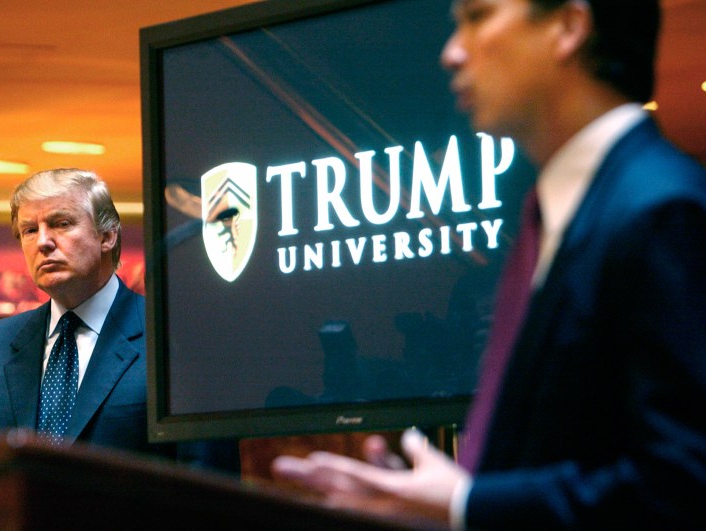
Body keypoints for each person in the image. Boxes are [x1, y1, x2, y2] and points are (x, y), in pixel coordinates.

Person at [271, 0, 706, 529]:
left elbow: (681, 484)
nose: (451, 53)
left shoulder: (661, 209)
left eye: (478, 17)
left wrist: (466, 505)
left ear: (569, 27)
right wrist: (444, 505)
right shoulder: (557, 212)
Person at [0, 168, 169, 456]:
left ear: (107, 236)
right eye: (29, 230)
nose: (43, 242)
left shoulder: (169, 337)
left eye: (62, 223)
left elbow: (208, 481)